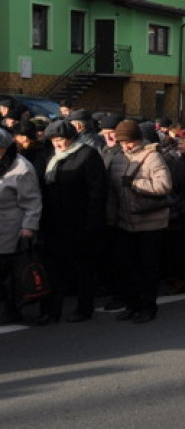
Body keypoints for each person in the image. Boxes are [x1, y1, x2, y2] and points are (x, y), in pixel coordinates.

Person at [36, 120, 106, 324]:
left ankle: (84, 308)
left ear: (72, 138)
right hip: (54, 223)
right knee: (54, 269)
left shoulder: (87, 155)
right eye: (53, 140)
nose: (57, 143)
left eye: (61, 139)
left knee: (82, 268)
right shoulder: (51, 156)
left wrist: (93, 223)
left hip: (80, 222)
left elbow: (97, 192)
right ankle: (51, 310)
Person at [106, 119, 173, 324]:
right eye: (122, 142)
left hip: (151, 223)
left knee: (147, 268)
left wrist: (136, 183)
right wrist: (110, 219)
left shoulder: (152, 157)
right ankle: (132, 305)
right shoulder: (118, 159)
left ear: (138, 139)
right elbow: (112, 193)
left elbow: (164, 186)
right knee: (126, 267)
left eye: (130, 142)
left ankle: (148, 307)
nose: (126, 146)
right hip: (125, 223)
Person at [0, 128, 42, 325]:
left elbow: (32, 201)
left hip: (9, 228)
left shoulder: (22, 168)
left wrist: (29, 227)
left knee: (7, 274)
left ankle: (10, 310)